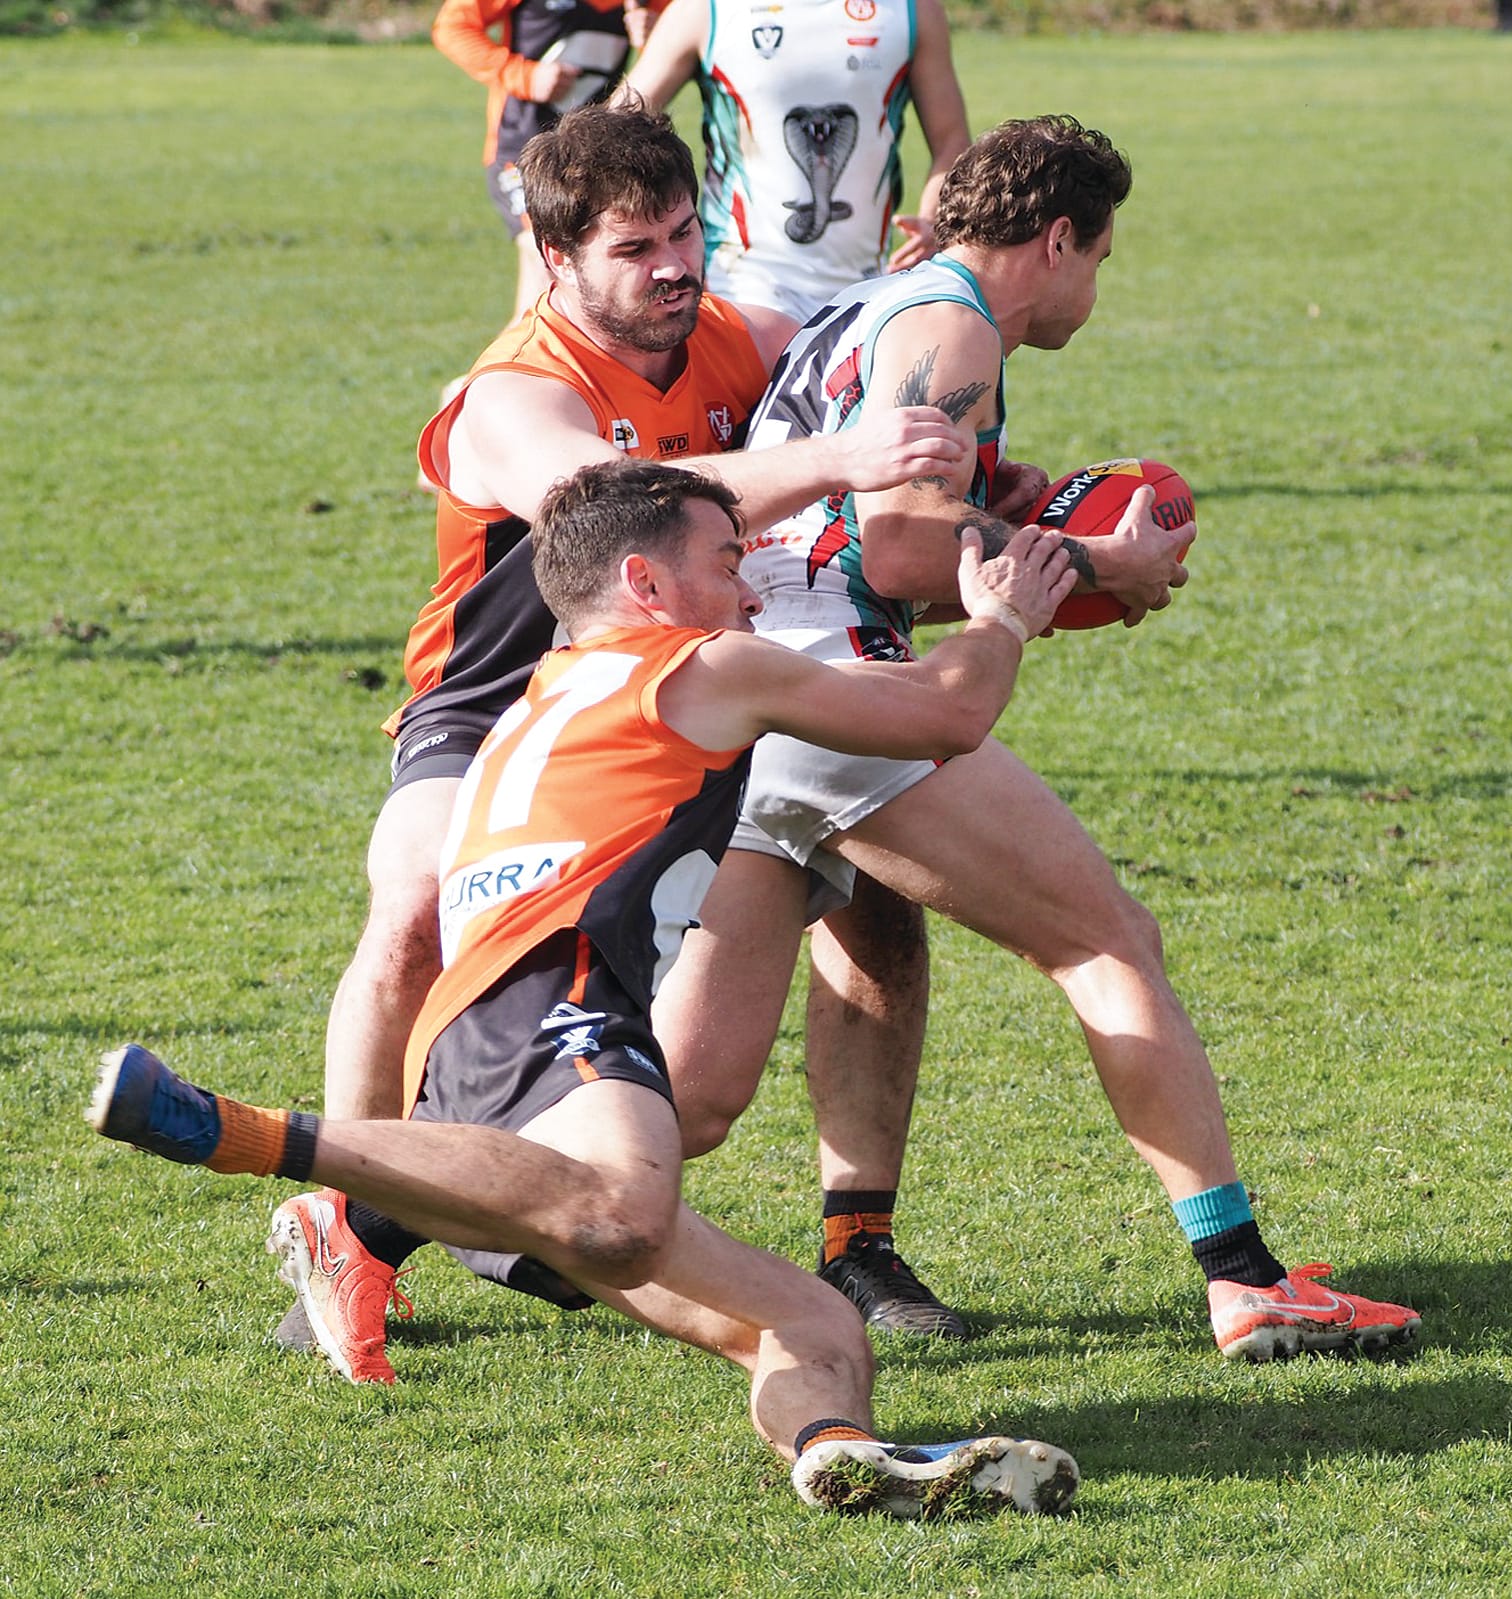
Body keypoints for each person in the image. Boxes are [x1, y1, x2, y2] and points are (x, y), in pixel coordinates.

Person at [90, 459, 1084, 1522]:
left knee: (813, 1325)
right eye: (729, 563)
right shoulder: (700, 664)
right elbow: (947, 713)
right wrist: (1002, 616)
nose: (752, 595)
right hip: (549, 997)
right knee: (623, 1215)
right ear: (645, 583)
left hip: (486, 1036)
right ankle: (237, 1134)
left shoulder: (553, 685)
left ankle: (845, 1457)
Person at [650, 115, 1424, 1364]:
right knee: (1108, 939)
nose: (1098, 287)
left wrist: (1010, 509)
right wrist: (1097, 563)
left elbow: (869, 508)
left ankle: (385, 1208)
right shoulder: (954, 328)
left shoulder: (873, 302)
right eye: (1102, 258)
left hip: (751, 695)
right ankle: (1246, 1282)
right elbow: (902, 550)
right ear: (1057, 239)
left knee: (689, 1096)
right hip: (838, 689)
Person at [292, 101, 971, 1348]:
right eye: (632, 248)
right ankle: (351, 1225)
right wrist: (841, 457)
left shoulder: (734, 339)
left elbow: (864, 372)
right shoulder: (510, 392)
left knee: (874, 890)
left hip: (688, 688)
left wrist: (983, 474)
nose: (671, 267)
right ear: (555, 259)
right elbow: (609, 502)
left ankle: (859, 1244)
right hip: (501, 702)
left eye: (682, 233)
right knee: (416, 907)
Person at [619, 0, 979, 1338]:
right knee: (695, 1057)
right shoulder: (706, 11)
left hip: (867, 333)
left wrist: (933, 236)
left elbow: (956, 157)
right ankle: (432, 1200)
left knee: (876, 903)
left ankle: (859, 1243)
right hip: (757, 331)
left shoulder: (907, 11)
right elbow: (617, 138)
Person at [619, 0, 972, 319]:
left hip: (868, 290)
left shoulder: (911, 10)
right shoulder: (706, 10)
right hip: (742, 286)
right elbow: (613, 132)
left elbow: (951, 140)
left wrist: (933, 220)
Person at [433, 0, 669, 325]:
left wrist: (656, 31)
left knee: (562, 296)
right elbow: (452, 27)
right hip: (522, 152)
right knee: (547, 267)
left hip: (593, 160)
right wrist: (525, 75)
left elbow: (684, 39)